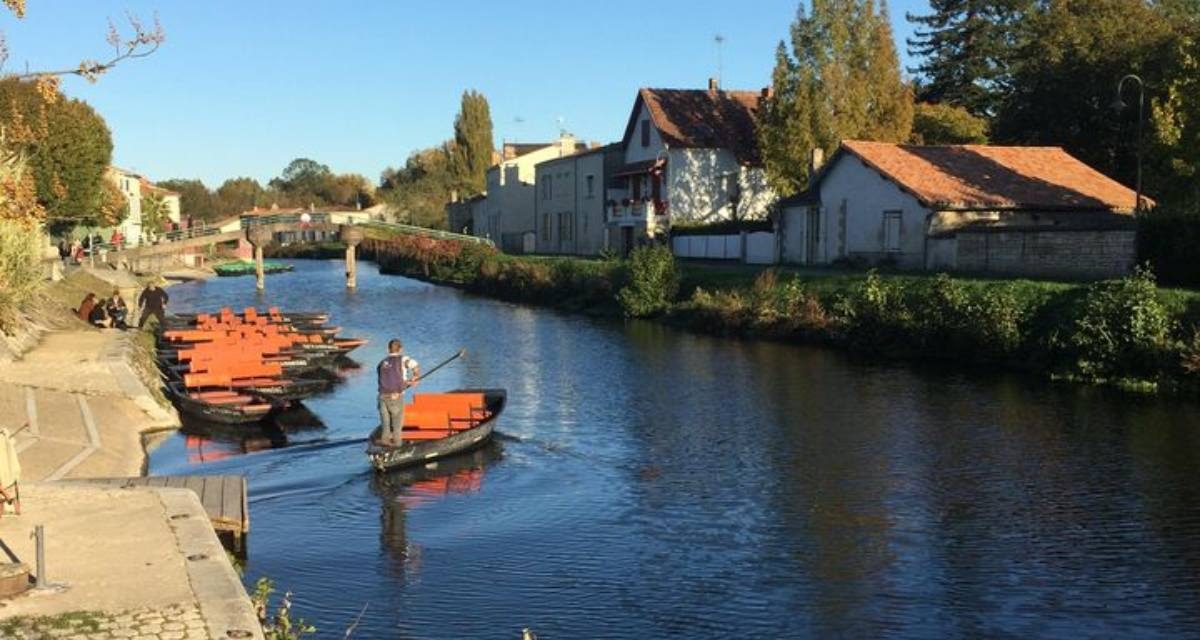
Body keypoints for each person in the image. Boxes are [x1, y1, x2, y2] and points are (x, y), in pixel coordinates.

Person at [377, 339, 420, 447]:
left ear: (388, 349)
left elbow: (386, 379)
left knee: (386, 424)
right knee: (397, 425)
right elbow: (414, 365)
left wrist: (407, 382)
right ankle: (397, 446)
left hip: (381, 397)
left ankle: (385, 442)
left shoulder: (381, 363)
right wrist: (415, 377)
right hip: (395, 397)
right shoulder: (403, 359)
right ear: (400, 349)